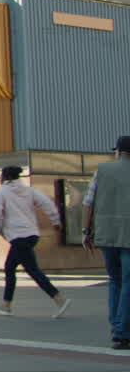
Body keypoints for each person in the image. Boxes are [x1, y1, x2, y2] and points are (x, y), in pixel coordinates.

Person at [0, 165, 70, 318]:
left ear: (3, 178)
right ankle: (6, 303)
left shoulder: (1, 193)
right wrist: (56, 221)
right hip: (32, 234)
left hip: (18, 237)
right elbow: (47, 204)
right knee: (10, 267)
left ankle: (59, 298)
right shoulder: (29, 191)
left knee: (32, 270)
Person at [82, 135, 130, 350]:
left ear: (118, 152)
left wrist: (86, 231)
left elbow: (88, 203)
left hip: (107, 235)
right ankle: (122, 333)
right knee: (128, 282)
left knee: (115, 280)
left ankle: (116, 326)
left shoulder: (101, 171)